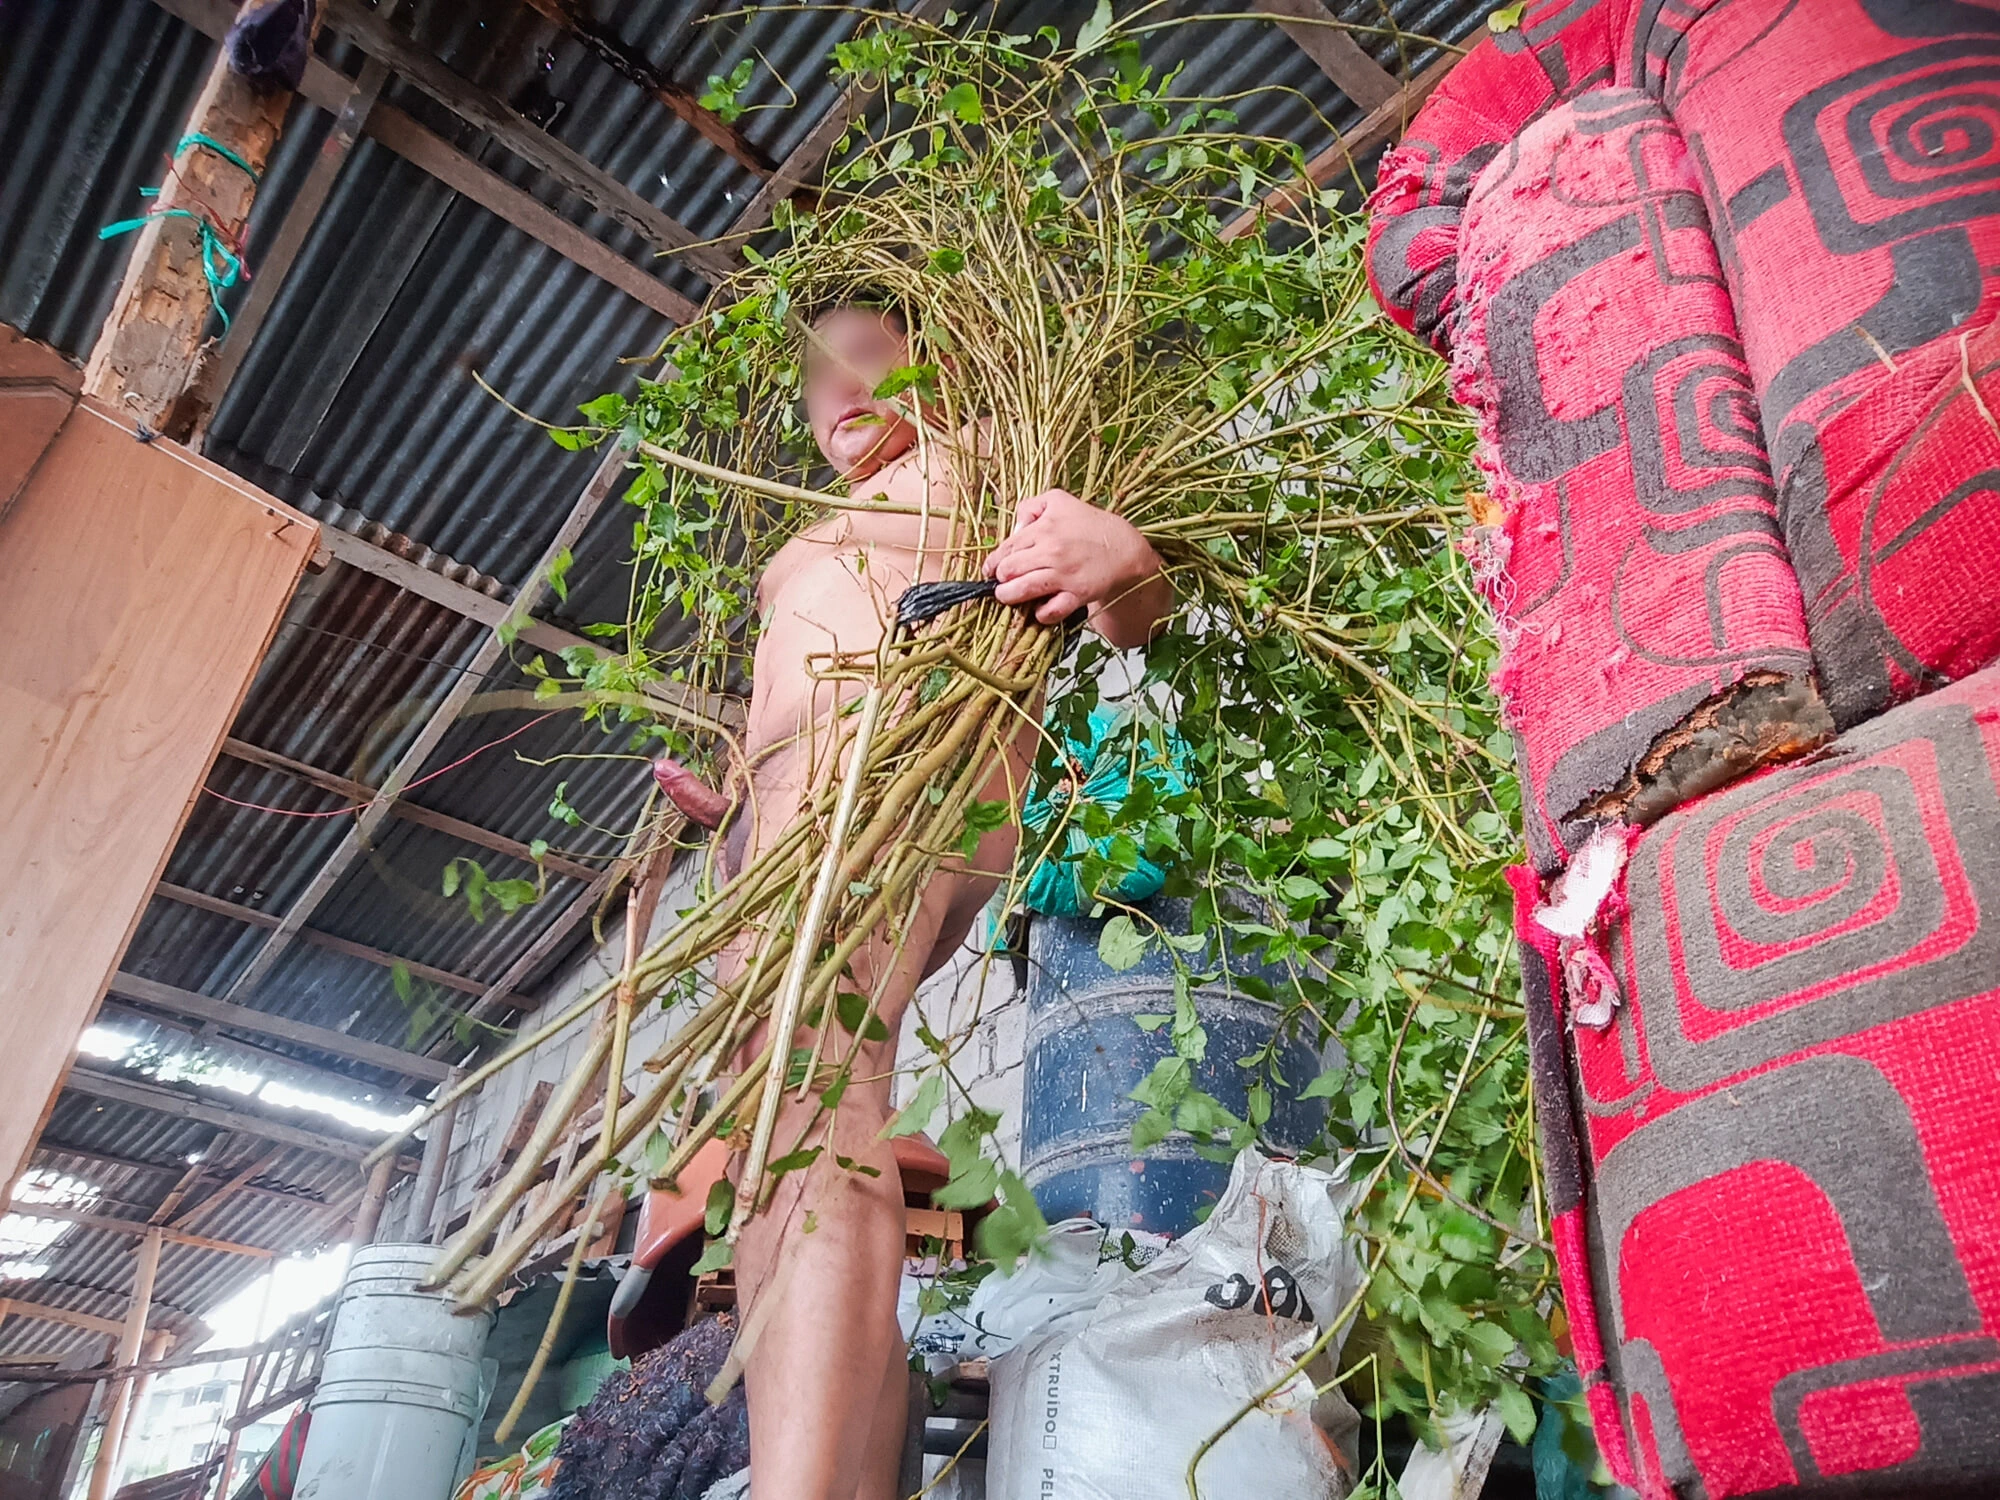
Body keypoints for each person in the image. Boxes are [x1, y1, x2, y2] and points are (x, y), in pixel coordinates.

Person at [652, 298, 1172, 1500]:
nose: (843, 385)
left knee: (821, 1090)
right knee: (794, 1122)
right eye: (818, 373)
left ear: (941, 370)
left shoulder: (979, 452)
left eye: (874, 359)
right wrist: (728, 807)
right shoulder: (811, 534)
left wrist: (1120, 559)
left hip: (892, 786)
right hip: (787, 835)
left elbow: (1133, 597)